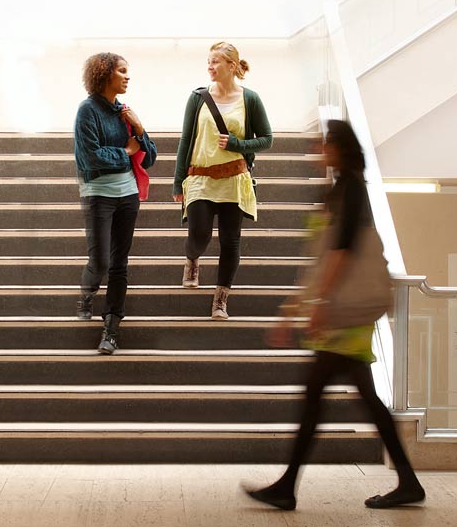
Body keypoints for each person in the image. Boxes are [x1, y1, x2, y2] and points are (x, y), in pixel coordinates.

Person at [245, 120, 422, 511]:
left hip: (345, 315)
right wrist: (295, 310)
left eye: (325, 143)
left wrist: (317, 307)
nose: (319, 150)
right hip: (342, 313)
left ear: (340, 147)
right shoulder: (340, 189)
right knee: (362, 399)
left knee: (316, 397)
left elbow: (340, 255)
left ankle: (288, 486)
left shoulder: (352, 190)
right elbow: (322, 257)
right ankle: (407, 480)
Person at [174, 41, 272, 320]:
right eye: (208, 61)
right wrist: (177, 181)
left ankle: (220, 299)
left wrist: (238, 144)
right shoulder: (197, 97)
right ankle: (192, 259)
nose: (210, 66)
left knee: (231, 242)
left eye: (215, 61)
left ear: (232, 66)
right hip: (199, 177)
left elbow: (267, 139)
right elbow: (185, 140)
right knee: (199, 235)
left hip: (234, 178)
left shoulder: (250, 98)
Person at [74, 52, 156, 355]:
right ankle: (86, 292)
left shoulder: (126, 111)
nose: (127, 76)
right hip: (98, 194)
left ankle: (111, 329)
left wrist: (140, 127)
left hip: (128, 195)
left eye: (127, 71)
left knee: (119, 264)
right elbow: (90, 157)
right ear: (105, 74)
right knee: (100, 261)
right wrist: (125, 151)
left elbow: (151, 156)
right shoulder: (87, 111)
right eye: (122, 71)